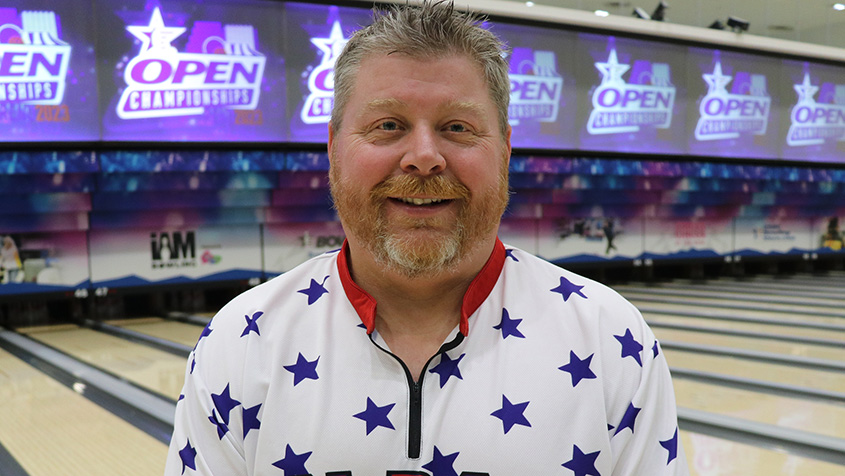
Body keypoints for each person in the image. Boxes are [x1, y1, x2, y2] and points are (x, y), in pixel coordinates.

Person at [165, 2, 688, 475]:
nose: (423, 156)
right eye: (387, 125)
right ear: (334, 148)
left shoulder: (611, 340)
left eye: (457, 127)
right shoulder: (241, 340)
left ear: (505, 151)